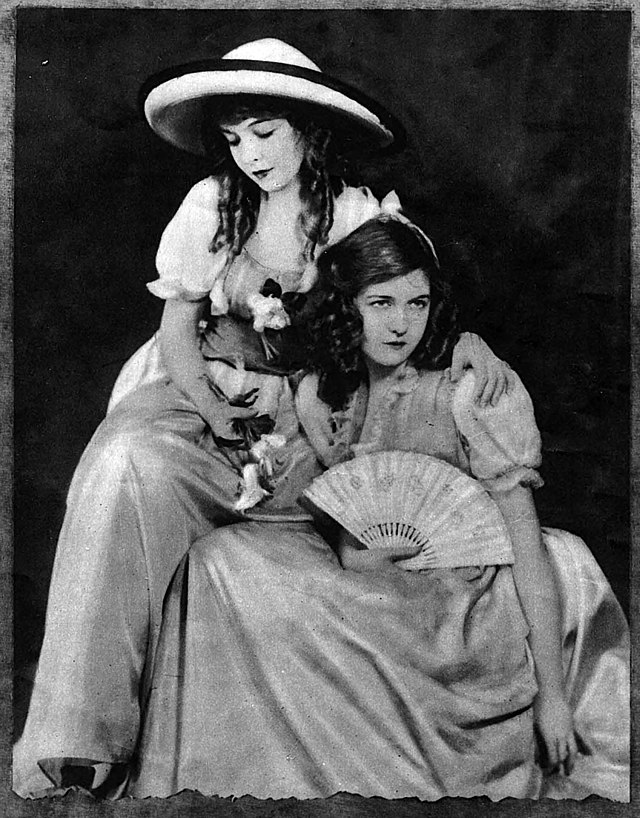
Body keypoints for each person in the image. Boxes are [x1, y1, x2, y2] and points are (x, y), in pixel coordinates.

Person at [13, 39, 512, 799]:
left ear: (308, 128)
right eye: (235, 138)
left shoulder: (353, 214)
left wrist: (465, 341)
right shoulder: (211, 205)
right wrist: (214, 409)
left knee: (293, 536)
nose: (251, 155)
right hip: (204, 389)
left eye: (266, 132)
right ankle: (79, 736)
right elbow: (180, 333)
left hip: (312, 411)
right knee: (126, 464)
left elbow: (405, 301)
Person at [128, 216, 629, 801]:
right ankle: (237, 780)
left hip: (464, 599)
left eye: (417, 303)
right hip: (372, 580)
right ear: (349, 308)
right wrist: (357, 553)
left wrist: (553, 696)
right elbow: (346, 516)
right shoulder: (324, 392)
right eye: (381, 303)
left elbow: (525, 543)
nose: (400, 324)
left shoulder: (472, 392)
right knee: (218, 560)